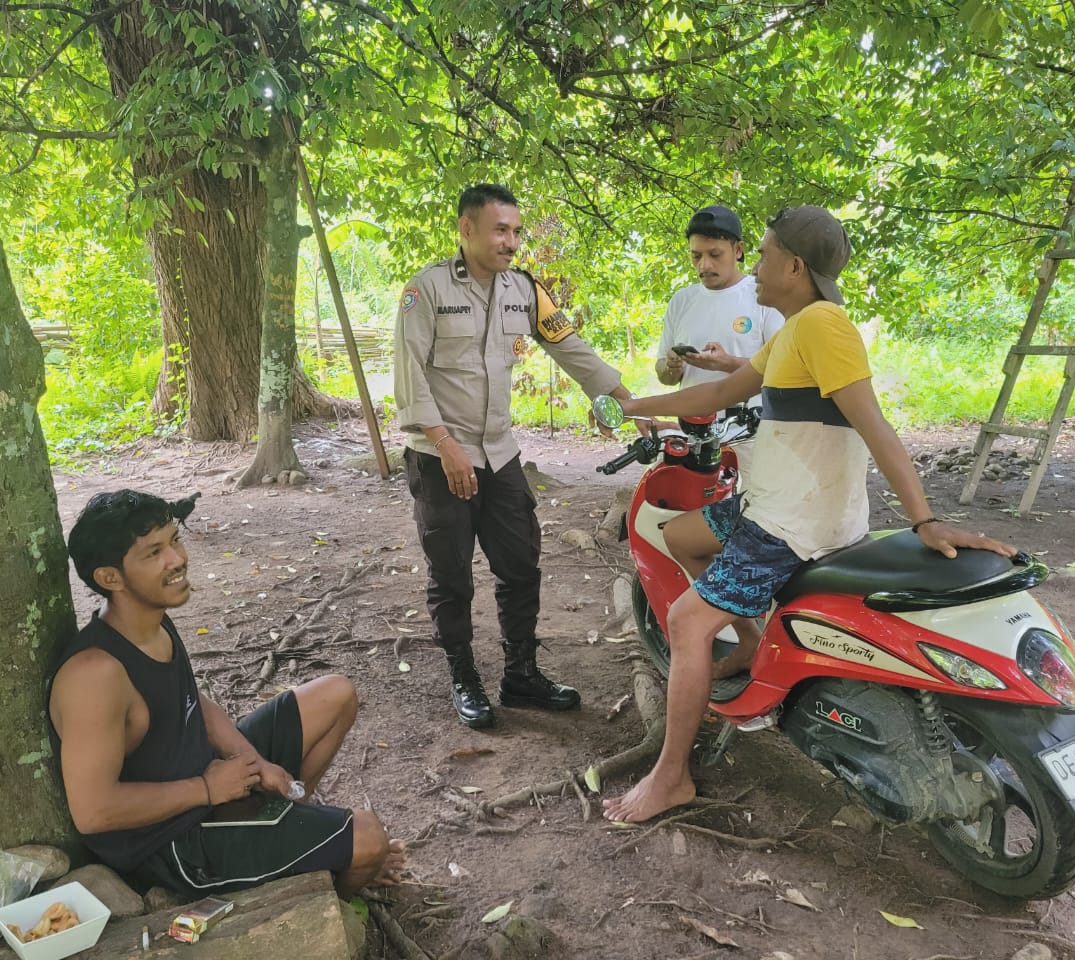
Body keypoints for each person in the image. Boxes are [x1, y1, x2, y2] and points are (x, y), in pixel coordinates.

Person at [601, 206, 1016, 824]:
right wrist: (637, 401)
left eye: (762, 255)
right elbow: (721, 392)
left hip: (793, 524)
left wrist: (925, 519)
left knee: (688, 623)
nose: (754, 267)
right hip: (765, 503)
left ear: (794, 266)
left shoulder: (822, 325)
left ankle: (671, 776)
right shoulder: (793, 326)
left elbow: (874, 423)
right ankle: (750, 644)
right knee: (683, 537)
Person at [49, 490, 404, 898]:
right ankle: (335, 878)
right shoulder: (95, 675)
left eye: (174, 541)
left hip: (212, 781)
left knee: (336, 694)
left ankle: (309, 842)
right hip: (174, 843)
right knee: (369, 839)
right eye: (153, 553)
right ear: (111, 578)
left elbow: (192, 703)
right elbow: (93, 812)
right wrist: (205, 789)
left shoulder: (152, 621)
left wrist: (254, 762)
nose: (177, 559)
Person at [394, 182, 639, 729]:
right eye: (500, 229)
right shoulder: (426, 290)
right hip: (440, 458)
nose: (511, 241)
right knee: (452, 575)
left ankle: (521, 676)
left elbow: (569, 346)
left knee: (522, 566)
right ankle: (465, 677)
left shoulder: (524, 290)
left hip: (500, 455)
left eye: (516, 231)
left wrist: (623, 400)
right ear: (467, 229)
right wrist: (445, 444)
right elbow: (409, 376)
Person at [654, 206, 785, 666]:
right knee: (693, 532)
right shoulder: (683, 300)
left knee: (752, 536)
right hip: (696, 438)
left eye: (714, 254)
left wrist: (728, 366)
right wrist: (672, 367)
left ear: (739, 250)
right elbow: (665, 375)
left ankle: (767, 636)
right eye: (696, 256)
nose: (704, 265)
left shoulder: (764, 296)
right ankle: (724, 627)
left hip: (752, 437)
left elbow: (785, 372)